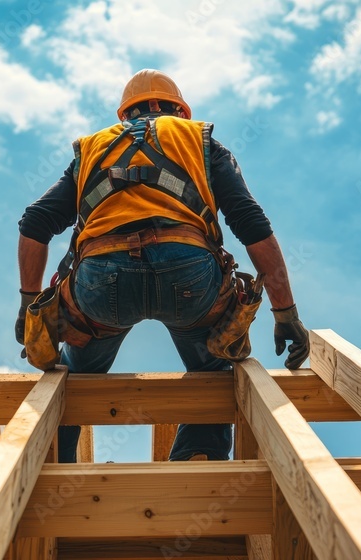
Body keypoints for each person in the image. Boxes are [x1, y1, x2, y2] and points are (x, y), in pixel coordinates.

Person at [16, 69, 308, 463]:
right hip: (189, 274)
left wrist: (29, 302)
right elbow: (251, 224)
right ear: (176, 109)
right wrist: (285, 312)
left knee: (74, 377)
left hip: (102, 282)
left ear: (128, 113)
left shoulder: (90, 149)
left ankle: (49, 469)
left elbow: (36, 223)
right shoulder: (201, 141)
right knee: (215, 370)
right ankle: (197, 460)